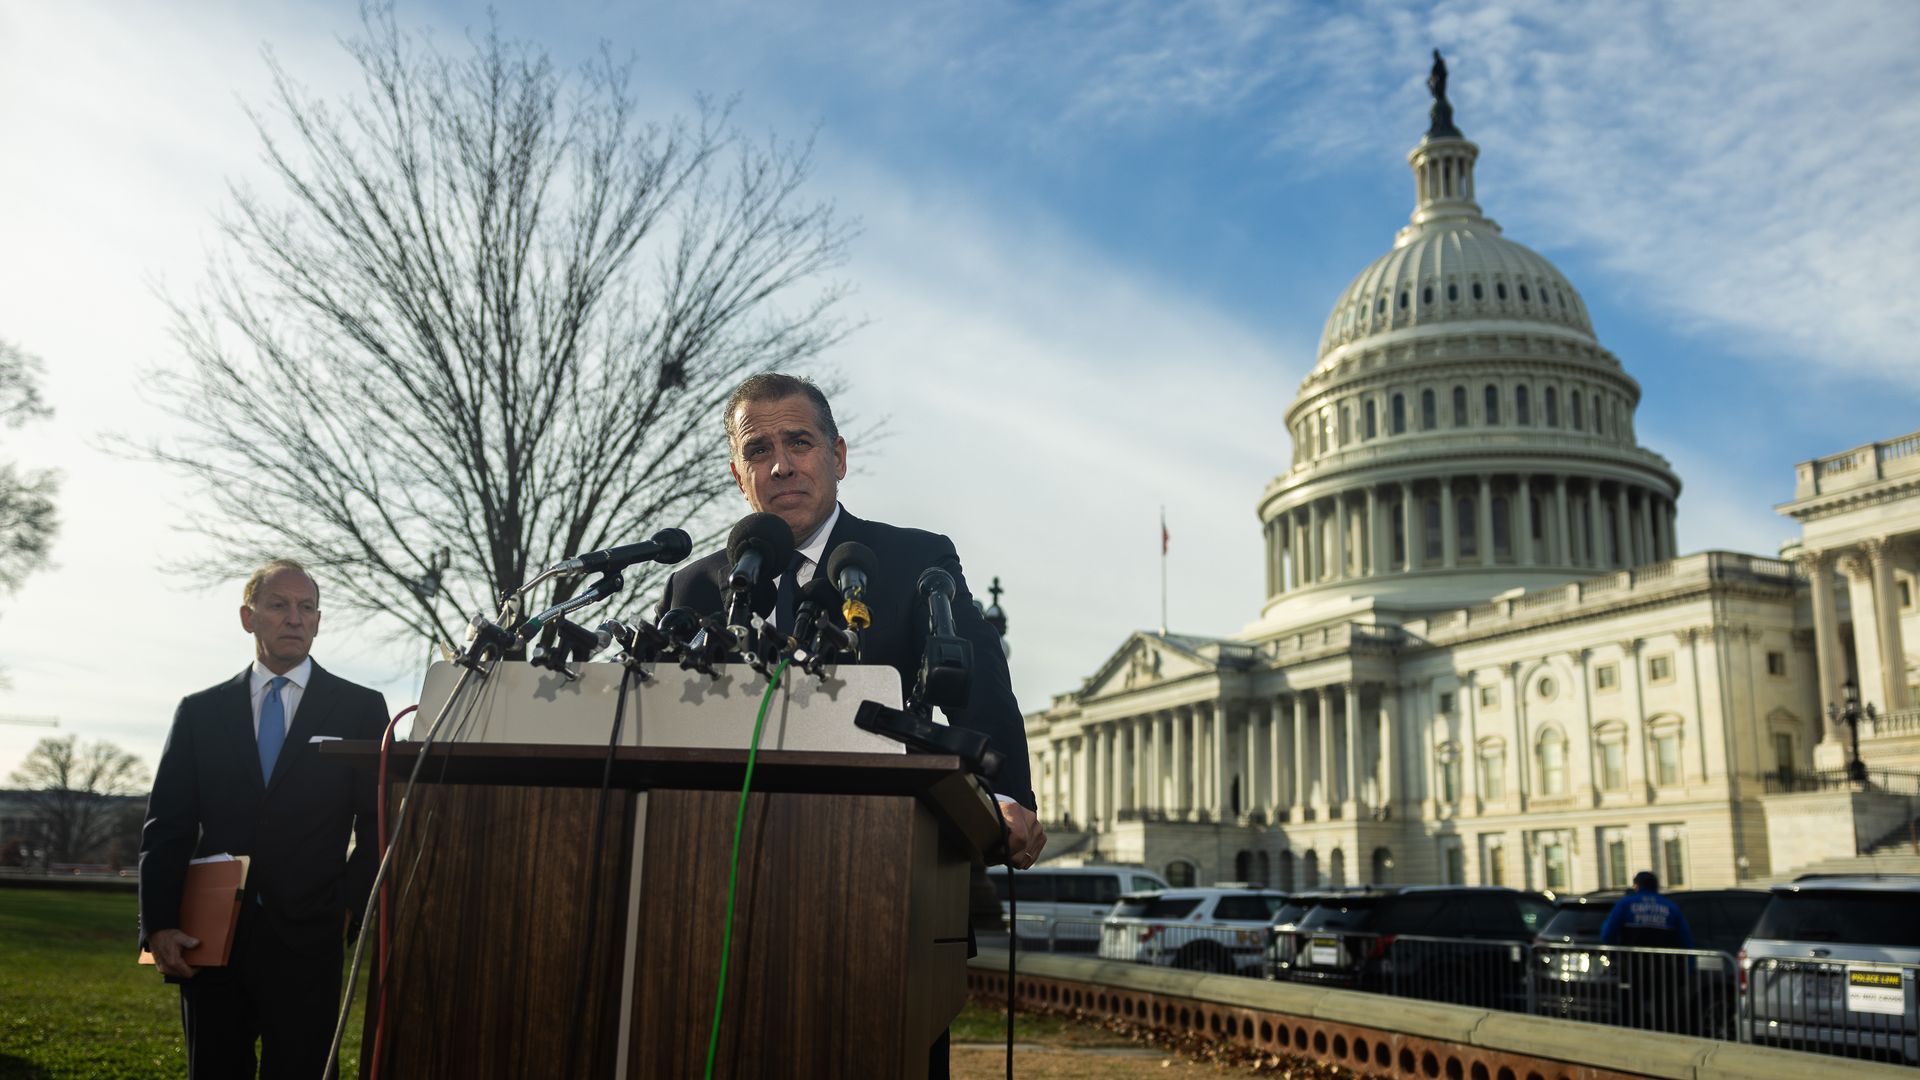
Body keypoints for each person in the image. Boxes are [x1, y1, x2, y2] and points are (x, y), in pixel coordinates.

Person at [657, 373, 1046, 1076]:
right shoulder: (695, 587)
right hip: (709, 904)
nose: (781, 465)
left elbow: (980, 689)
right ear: (739, 474)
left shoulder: (914, 560)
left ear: (838, 454)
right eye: (759, 450)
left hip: (884, 893)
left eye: (799, 442)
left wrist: (1008, 798)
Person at [139, 560, 390, 1079]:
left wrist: (348, 909)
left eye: (306, 608)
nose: (294, 618)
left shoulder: (362, 709)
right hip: (209, 940)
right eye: (278, 605)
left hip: (310, 939)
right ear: (248, 618)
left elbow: (379, 824)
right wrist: (159, 924)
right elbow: (168, 826)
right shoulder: (200, 712)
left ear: (319, 621)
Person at [1599, 870, 1696, 1033]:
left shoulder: (1626, 904)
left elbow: (1607, 935)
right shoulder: (1670, 906)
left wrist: (1616, 956)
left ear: (1636, 885)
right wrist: (1689, 969)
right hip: (1665, 970)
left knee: (1631, 1010)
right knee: (1664, 1011)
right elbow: (1686, 940)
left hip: (1632, 968)